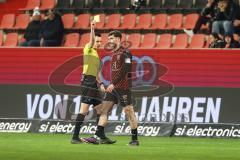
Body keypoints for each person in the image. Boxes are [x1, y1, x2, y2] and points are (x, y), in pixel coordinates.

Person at [84, 30, 139, 146]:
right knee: (104, 111)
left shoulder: (126, 53)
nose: (109, 41)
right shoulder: (113, 53)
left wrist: (114, 83)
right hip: (113, 88)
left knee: (129, 112)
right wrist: (111, 84)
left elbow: (126, 70)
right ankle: (96, 136)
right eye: (108, 39)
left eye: (111, 39)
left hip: (123, 87)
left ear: (118, 39)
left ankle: (134, 139)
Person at [71, 20, 106, 144]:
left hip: (93, 83)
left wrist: (101, 83)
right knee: (84, 111)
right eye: (97, 41)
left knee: (101, 110)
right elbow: (91, 41)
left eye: (101, 41)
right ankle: (75, 137)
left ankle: (100, 135)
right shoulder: (88, 48)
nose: (99, 43)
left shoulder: (96, 54)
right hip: (87, 82)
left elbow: (96, 73)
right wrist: (92, 28)